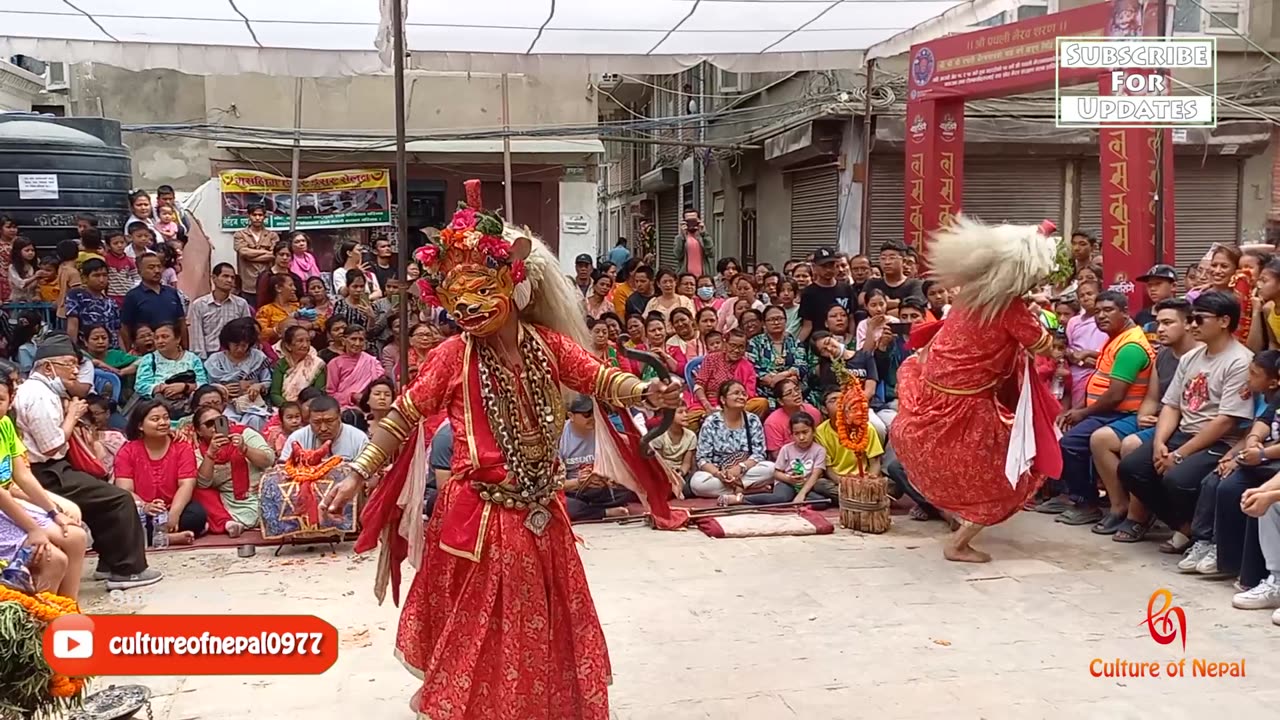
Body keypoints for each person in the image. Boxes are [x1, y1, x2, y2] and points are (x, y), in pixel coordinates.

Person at [321, 180, 685, 720]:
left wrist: (647, 391)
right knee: (486, 634)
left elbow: (601, 378)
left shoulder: (548, 345)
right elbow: (403, 414)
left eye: (480, 289)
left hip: (544, 512)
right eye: (456, 294)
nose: (467, 305)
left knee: (546, 626)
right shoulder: (451, 355)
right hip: (482, 516)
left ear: (515, 285)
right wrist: (358, 471)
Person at [891, 217, 1062, 563]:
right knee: (1008, 475)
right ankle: (959, 542)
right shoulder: (1008, 308)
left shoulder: (971, 293)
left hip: (934, 392)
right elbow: (1044, 346)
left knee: (967, 466)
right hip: (967, 406)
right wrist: (1051, 328)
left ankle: (959, 517)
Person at [1119, 291, 1255, 572]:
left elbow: (1227, 420)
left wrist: (1179, 455)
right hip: (1183, 433)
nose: (1192, 325)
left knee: (1177, 478)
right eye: (1191, 319)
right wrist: (1159, 442)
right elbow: (1171, 405)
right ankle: (1186, 527)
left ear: (1224, 321)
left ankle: (1204, 537)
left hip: (1218, 439)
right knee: (1132, 468)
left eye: (1199, 319)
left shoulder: (1240, 361)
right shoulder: (1192, 357)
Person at [13, 334, 160, 589]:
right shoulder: (38, 394)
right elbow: (51, 447)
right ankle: (127, 570)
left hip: (51, 468)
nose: (75, 371)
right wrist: (72, 415)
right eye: (68, 364)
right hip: (45, 472)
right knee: (119, 499)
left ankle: (110, 562)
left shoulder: (41, 390)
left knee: (100, 491)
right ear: (48, 367)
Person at [1053, 291, 1154, 528]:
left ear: (1125, 312)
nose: (1101, 316)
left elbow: (1115, 395)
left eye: (1108, 310)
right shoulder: (1116, 338)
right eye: (1097, 311)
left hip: (1123, 413)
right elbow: (1100, 380)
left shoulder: (1130, 345)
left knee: (1072, 442)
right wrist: (1078, 408)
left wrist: (1082, 413)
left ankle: (1089, 503)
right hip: (1107, 411)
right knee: (1069, 435)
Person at [0, 373, 88, 597]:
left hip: (9, 501)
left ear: (10, 399)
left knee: (76, 537)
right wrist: (33, 529)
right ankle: (41, 623)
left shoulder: (5, 425)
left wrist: (53, 512)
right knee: (52, 559)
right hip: (4, 503)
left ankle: (69, 611)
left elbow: (23, 476)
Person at [115, 400, 205, 545]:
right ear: (140, 425)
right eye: (155, 419)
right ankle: (168, 538)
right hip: (143, 510)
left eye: (166, 417)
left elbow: (187, 484)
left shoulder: (182, 447)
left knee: (196, 514)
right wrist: (145, 506)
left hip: (172, 506)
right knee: (120, 519)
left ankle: (156, 537)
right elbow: (125, 489)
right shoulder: (127, 451)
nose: (163, 422)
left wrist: (173, 515)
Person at [191, 405, 274, 537]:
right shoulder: (199, 453)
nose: (215, 427)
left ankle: (222, 524)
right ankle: (227, 523)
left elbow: (268, 460)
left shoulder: (245, 434)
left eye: (220, 421)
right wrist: (210, 455)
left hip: (257, 495)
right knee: (194, 489)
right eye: (209, 424)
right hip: (229, 504)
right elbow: (203, 484)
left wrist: (245, 449)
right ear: (199, 431)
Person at [689, 380, 775, 502]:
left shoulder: (752, 420)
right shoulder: (711, 422)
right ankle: (748, 490)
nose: (741, 397)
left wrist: (740, 468)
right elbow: (703, 459)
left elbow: (759, 454)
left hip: (745, 470)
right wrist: (720, 474)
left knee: (771, 469)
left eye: (743, 394)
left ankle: (736, 490)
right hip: (719, 473)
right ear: (723, 400)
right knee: (697, 483)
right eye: (736, 393)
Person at [559, 395, 637, 520]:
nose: (593, 418)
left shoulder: (603, 428)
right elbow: (553, 484)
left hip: (602, 488)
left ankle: (592, 510)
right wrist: (578, 482)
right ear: (571, 416)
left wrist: (609, 477)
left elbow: (620, 464)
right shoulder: (559, 437)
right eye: (587, 414)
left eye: (596, 413)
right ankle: (604, 512)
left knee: (634, 487)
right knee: (563, 505)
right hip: (573, 491)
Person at [204, 318, 272, 431]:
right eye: (236, 345)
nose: (240, 349)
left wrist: (258, 386)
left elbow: (268, 381)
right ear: (227, 342)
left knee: (256, 419)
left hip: (251, 404)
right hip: (226, 405)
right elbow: (207, 386)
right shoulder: (215, 361)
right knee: (224, 420)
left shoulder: (258, 357)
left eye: (244, 345)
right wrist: (222, 389)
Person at [692, 329, 769, 422]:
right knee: (688, 419)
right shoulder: (711, 359)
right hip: (709, 405)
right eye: (733, 345)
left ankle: (726, 418)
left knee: (762, 403)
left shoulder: (748, 366)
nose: (736, 350)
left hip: (736, 406)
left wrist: (729, 405)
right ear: (725, 344)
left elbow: (748, 394)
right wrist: (707, 405)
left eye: (741, 347)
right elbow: (699, 384)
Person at [134, 322, 208, 416]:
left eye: (165, 337)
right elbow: (140, 385)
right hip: (158, 406)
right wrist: (161, 388)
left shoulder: (193, 359)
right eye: (156, 338)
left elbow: (203, 383)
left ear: (177, 339)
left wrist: (184, 387)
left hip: (190, 406)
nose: (160, 341)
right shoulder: (149, 359)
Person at [187, 262, 254, 359]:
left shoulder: (241, 304)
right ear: (214, 278)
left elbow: (247, 332)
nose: (229, 280)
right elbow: (196, 338)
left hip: (234, 354)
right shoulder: (199, 305)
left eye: (232, 277)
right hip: (210, 353)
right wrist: (202, 361)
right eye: (225, 276)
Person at [121, 253, 187, 351]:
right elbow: (125, 326)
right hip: (147, 350)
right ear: (140, 271)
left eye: (159, 267)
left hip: (172, 350)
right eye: (151, 267)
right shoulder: (133, 296)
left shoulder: (171, 292)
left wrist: (185, 348)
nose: (156, 271)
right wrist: (129, 350)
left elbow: (181, 322)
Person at [746, 305, 806, 409]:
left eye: (779, 319)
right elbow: (752, 368)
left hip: (792, 390)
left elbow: (802, 366)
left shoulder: (795, 342)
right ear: (764, 323)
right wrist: (770, 380)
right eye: (772, 320)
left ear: (785, 321)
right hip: (766, 392)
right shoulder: (754, 343)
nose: (776, 323)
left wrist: (783, 376)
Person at [280, 394, 369, 461]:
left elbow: (368, 475)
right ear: (309, 420)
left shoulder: (358, 438)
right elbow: (283, 469)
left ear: (339, 418)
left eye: (329, 421)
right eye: (316, 422)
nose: (323, 428)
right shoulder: (297, 438)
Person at [774, 413, 834, 506]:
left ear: (813, 431)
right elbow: (776, 473)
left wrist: (802, 494)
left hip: (807, 484)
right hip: (788, 483)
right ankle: (745, 499)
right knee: (781, 498)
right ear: (792, 435)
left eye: (805, 432)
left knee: (821, 503)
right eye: (796, 434)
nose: (801, 437)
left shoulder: (819, 450)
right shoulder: (786, 449)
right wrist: (790, 479)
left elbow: (815, 475)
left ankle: (797, 498)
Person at [796, 247, 855, 342]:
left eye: (831, 265)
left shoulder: (846, 289)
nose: (828, 270)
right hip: (818, 343)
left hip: (843, 342)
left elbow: (851, 318)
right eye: (823, 266)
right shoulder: (809, 293)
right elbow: (807, 325)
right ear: (814, 267)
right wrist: (796, 345)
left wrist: (851, 339)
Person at [63, 257, 121, 349]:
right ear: (85, 278)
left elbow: (117, 331)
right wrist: (73, 351)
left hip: (111, 352)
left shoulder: (111, 302)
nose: (101, 280)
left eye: (104, 275)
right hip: (86, 351)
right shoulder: (76, 296)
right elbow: (73, 326)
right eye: (96, 275)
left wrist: (122, 353)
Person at [232, 203, 280, 307]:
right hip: (247, 285)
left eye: (260, 215)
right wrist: (266, 252)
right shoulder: (240, 235)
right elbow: (243, 252)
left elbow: (275, 255)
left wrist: (251, 255)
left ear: (264, 216)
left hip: (267, 284)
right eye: (254, 215)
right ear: (249, 216)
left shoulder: (272, 236)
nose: (257, 218)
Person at [326, 325, 384, 411]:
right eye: (353, 339)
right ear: (343, 341)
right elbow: (331, 394)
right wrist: (351, 397)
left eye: (361, 340)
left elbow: (380, 384)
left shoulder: (372, 362)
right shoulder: (335, 364)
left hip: (370, 408)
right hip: (344, 410)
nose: (357, 343)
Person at [861, 241, 925, 312]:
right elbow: (862, 302)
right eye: (883, 258)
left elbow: (914, 308)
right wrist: (898, 303)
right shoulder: (873, 283)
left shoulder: (916, 284)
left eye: (892, 258)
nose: (887, 262)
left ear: (903, 261)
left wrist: (882, 308)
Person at [763, 378, 822, 455]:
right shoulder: (772, 423)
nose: (796, 394)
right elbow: (776, 454)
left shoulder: (813, 412)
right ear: (780, 401)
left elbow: (820, 439)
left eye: (797, 390)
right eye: (789, 393)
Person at [255, 272, 308, 345]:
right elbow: (260, 334)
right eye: (290, 285)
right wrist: (277, 329)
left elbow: (317, 318)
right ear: (278, 288)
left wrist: (310, 324)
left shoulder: (298, 307)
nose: (294, 289)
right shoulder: (266, 310)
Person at [673, 207, 714, 277]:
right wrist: (683, 236)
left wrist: (704, 234)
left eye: (693, 220)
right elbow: (677, 256)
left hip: (703, 276)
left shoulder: (704, 237)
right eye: (689, 221)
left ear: (699, 220)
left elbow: (711, 253)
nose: (691, 223)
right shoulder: (679, 238)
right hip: (685, 277)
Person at [1135, 264, 1179, 329]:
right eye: (1149, 285)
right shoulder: (1141, 317)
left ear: (1173, 286)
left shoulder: (1184, 313)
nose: (1152, 289)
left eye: (1158, 284)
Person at [53, 239, 82, 322]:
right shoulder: (73, 272)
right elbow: (76, 293)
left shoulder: (61, 268)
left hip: (61, 310)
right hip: (70, 312)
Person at [7, 237, 39, 302]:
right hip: (17, 302)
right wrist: (35, 276)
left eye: (32, 250)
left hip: (34, 301)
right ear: (18, 252)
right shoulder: (12, 267)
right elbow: (20, 284)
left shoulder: (38, 263)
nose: (30, 253)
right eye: (27, 250)